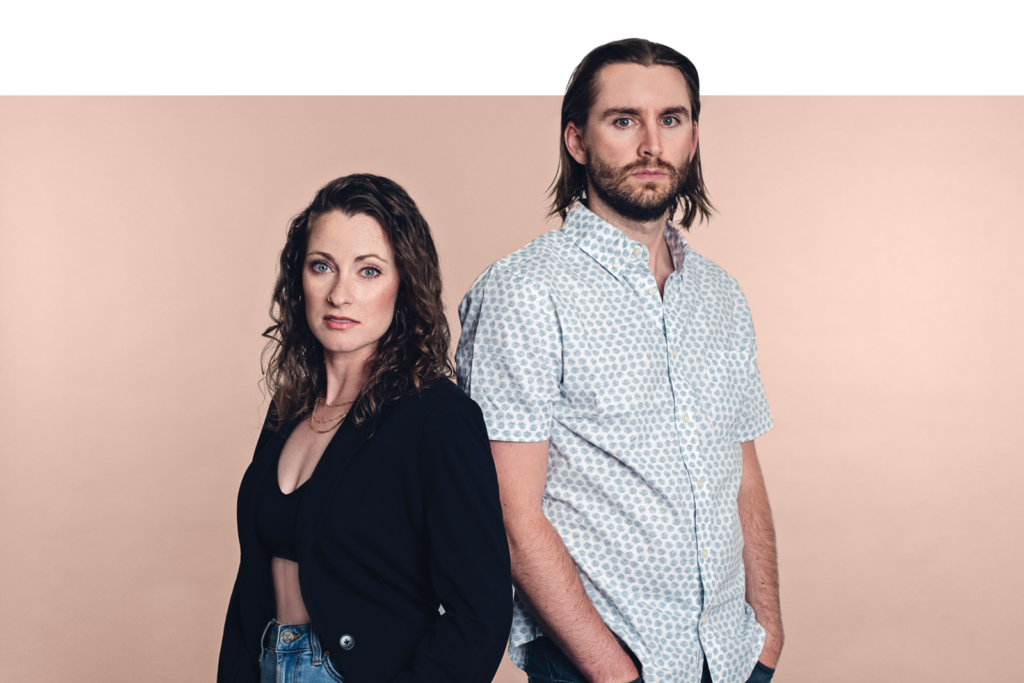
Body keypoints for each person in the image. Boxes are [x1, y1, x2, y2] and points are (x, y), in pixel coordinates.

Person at [456, 38, 783, 683]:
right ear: (577, 141)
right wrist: (612, 673)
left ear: (692, 137)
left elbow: (742, 474)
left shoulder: (721, 295)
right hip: (599, 666)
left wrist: (766, 636)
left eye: (671, 119)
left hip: (731, 658)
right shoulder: (525, 291)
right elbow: (508, 512)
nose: (651, 146)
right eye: (624, 120)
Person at [218, 174, 512, 683]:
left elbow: (479, 618)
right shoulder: (287, 410)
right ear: (299, 280)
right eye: (322, 267)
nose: (340, 294)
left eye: (368, 271)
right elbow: (251, 584)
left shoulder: (437, 420)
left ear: (404, 283)